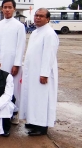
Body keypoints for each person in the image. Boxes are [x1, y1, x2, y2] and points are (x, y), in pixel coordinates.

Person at [20, 8, 59, 136]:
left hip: (42, 74)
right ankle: (33, 121)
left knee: (42, 99)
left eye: (41, 16)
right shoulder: (35, 32)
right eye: (36, 15)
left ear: (48, 19)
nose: (37, 18)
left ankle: (42, 127)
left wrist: (44, 74)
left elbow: (49, 56)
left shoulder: (49, 34)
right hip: (32, 72)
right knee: (33, 97)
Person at [0, 0, 26, 124]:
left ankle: (14, 112)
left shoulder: (19, 26)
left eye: (9, 7)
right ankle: (2, 111)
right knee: (1, 87)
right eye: (5, 7)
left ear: (14, 9)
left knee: (13, 88)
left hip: (13, 62)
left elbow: (21, 45)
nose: (7, 10)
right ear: (2, 9)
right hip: (0, 62)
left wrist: (17, 64)